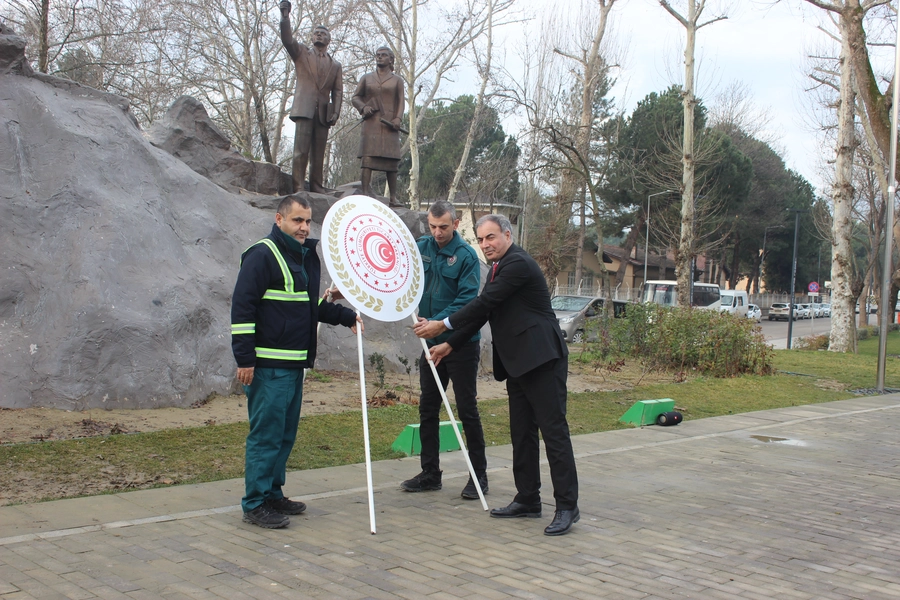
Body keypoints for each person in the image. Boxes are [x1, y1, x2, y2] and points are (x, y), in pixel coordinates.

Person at [413, 214, 579, 536]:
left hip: (543, 360)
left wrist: (442, 324)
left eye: (491, 237)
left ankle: (567, 507)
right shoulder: (497, 269)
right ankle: (528, 498)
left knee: (554, 434)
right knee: (522, 433)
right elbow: (485, 313)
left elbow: (483, 303)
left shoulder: (518, 264)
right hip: (519, 364)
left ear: (507, 234)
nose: (485, 245)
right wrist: (449, 345)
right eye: (480, 240)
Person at [231, 196, 362, 529]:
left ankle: (273, 493)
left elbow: (306, 307)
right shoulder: (262, 255)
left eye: (307, 221)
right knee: (266, 436)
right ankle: (255, 503)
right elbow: (242, 308)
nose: (304, 227)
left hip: (292, 365)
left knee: (284, 435)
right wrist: (245, 358)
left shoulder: (302, 257)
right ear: (279, 219)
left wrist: (344, 315)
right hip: (267, 366)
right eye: (297, 220)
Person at [400, 200, 488, 499]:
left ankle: (478, 477)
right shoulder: (421, 246)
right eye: (433, 226)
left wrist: (439, 323)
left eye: (444, 227)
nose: (437, 233)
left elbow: (467, 301)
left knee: (467, 410)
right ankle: (430, 473)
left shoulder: (466, 257)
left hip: (462, 343)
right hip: (431, 342)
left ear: (456, 222)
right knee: (428, 408)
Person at [279, 1, 342, 194]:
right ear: (312, 37)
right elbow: (287, 40)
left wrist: (336, 111)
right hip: (305, 109)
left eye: (323, 33)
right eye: (316, 33)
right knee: (300, 151)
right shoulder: (302, 54)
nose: (319, 35)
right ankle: (298, 186)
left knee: (319, 153)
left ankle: (316, 185)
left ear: (329, 39)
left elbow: (337, 91)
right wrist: (285, 17)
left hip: (323, 113)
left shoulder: (335, 65)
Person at [350, 46, 405, 207]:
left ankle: (393, 198)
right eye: (378, 55)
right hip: (371, 124)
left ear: (391, 59)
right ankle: (365, 193)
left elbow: (401, 101)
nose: (379, 57)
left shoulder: (397, 80)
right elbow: (355, 97)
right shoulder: (367, 78)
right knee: (368, 160)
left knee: (391, 163)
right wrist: (363, 107)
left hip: (390, 126)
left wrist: (398, 118)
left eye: (383, 55)